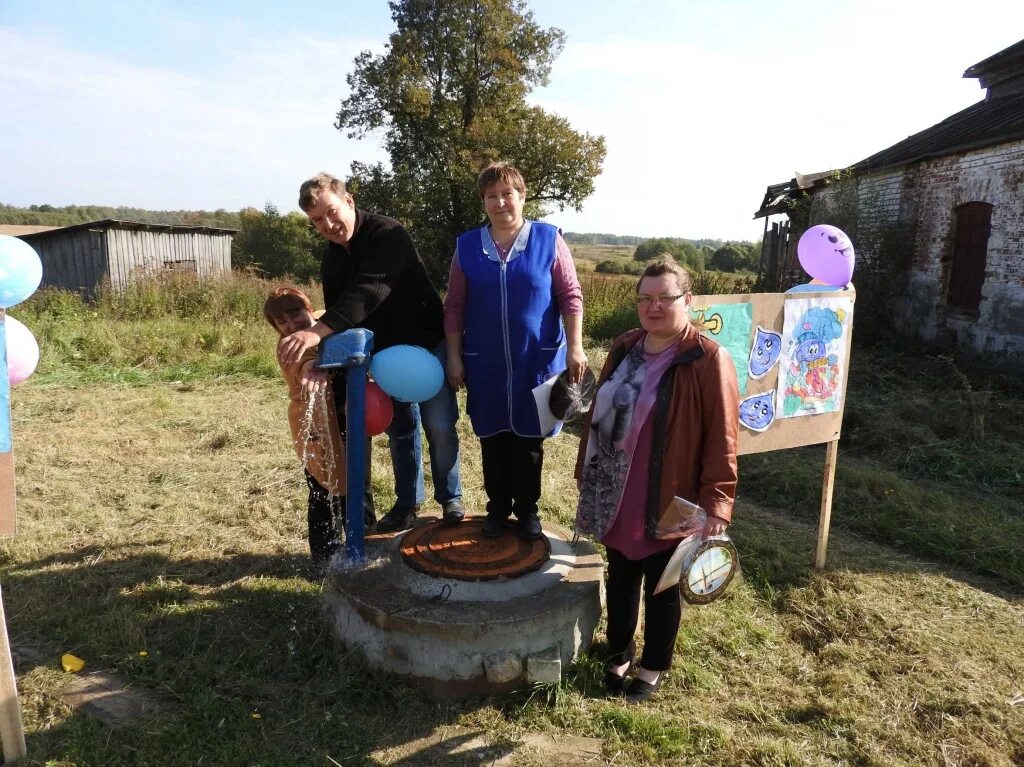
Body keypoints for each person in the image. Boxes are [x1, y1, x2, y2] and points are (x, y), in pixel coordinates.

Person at [574, 257, 739, 703]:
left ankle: (653, 665)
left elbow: (723, 436)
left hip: (672, 493)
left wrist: (718, 502)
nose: (653, 307)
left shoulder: (706, 358)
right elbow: (597, 414)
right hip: (617, 487)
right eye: (645, 298)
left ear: (687, 300)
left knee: (662, 583)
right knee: (622, 570)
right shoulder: (625, 346)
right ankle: (621, 648)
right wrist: (583, 471)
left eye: (664, 298)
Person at [279, 173, 464, 533]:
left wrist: (314, 334)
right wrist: (321, 361)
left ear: (348, 201)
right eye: (317, 220)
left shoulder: (388, 233)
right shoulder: (332, 259)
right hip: (386, 357)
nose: (329, 224)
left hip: (430, 346)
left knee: (439, 425)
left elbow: (369, 290)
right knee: (401, 431)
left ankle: (451, 500)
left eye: (332, 212)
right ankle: (407, 504)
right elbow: (341, 314)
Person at [444, 163, 586, 540]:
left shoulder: (547, 239)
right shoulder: (467, 247)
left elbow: (570, 297)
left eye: (507, 194)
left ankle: (526, 512)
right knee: (492, 439)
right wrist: (455, 357)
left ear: (522, 197)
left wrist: (576, 346)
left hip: (536, 360)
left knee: (528, 442)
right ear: (484, 202)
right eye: (492, 196)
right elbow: (455, 305)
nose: (500, 202)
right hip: (485, 362)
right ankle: (496, 509)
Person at [264, 286, 374, 573]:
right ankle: (324, 556)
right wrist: (315, 365)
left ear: (309, 309)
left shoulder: (328, 324)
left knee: (359, 480)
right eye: (282, 322)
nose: (291, 326)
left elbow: (345, 322)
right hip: (315, 427)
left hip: (351, 417)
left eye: (296, 314)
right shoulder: (288, 345)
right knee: (322, 488)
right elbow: (303, 364)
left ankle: (365, 540)